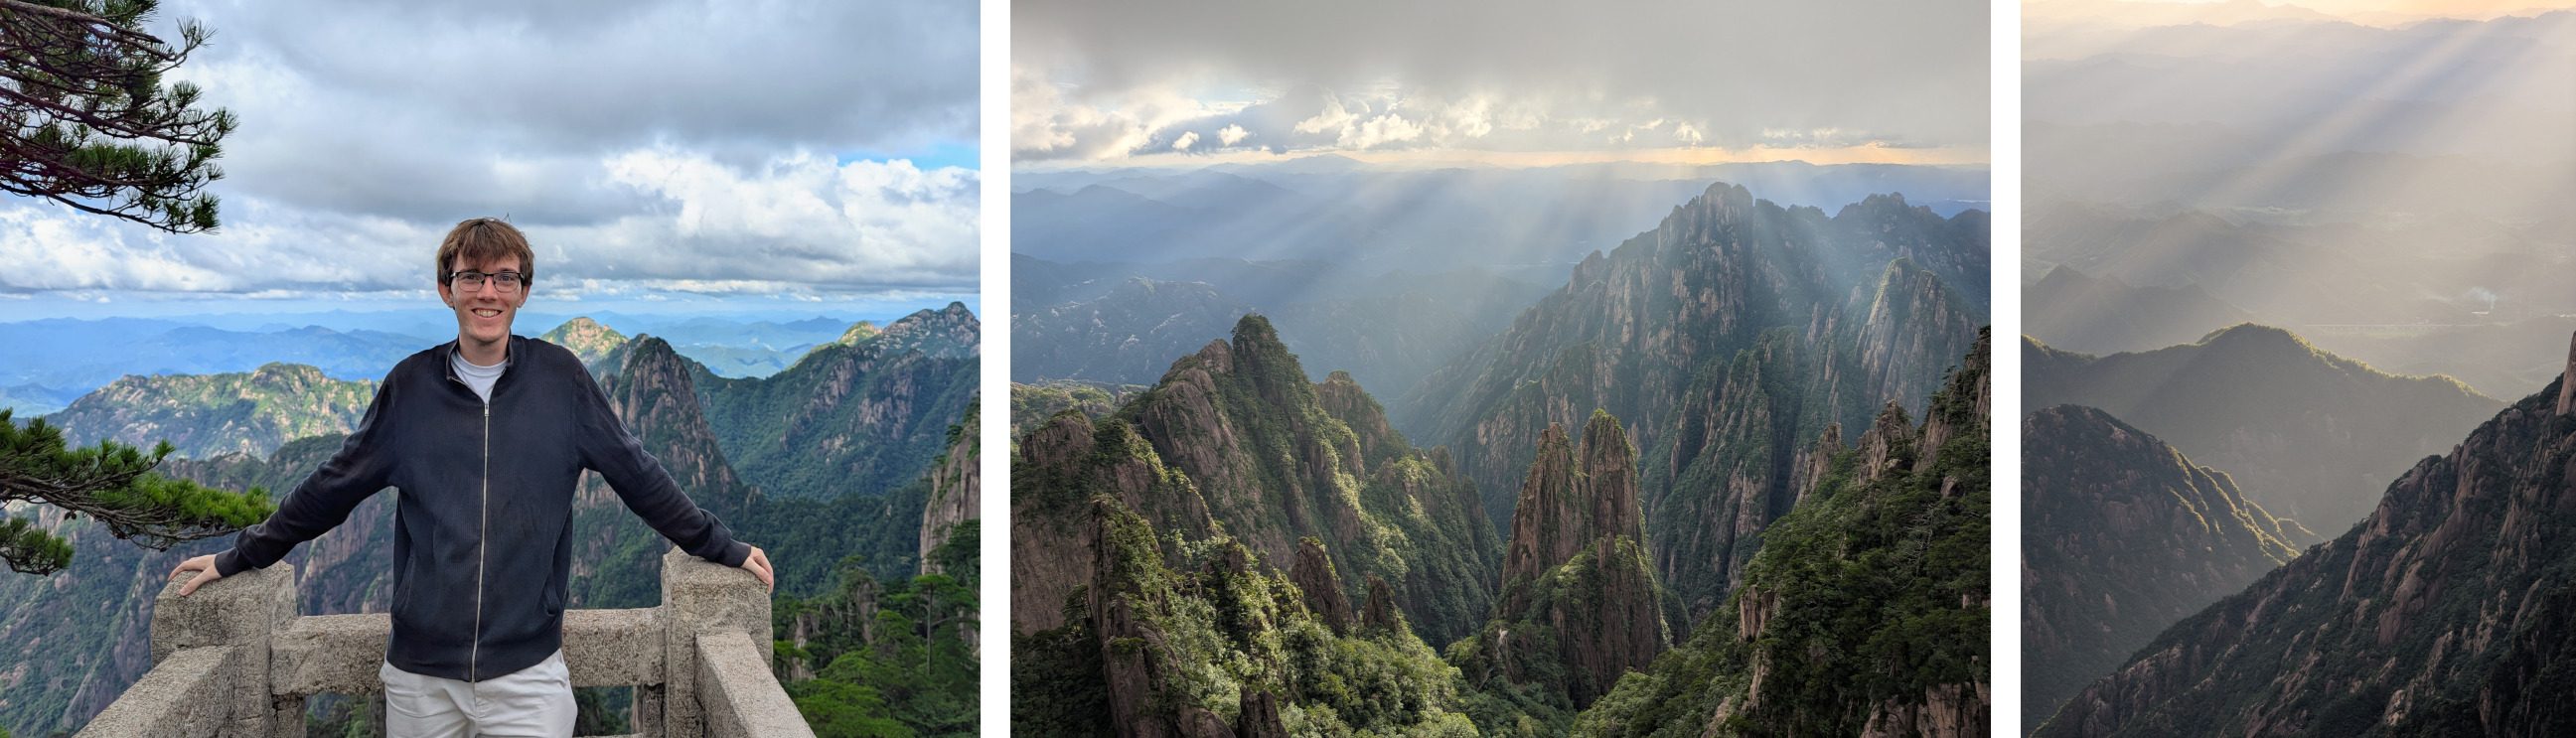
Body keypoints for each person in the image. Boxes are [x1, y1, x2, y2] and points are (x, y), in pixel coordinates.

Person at [168, 218, 773, 738]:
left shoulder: (561, 382)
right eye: (471, 278)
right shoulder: (410, 388)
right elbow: (331, 489)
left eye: (503, 278)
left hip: (529, 674)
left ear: (523, 291)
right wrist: (240, 557)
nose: (488, 292)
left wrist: (721, 547)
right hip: (420, 677)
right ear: (446, 290)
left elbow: (640, 477)